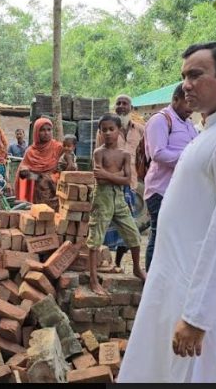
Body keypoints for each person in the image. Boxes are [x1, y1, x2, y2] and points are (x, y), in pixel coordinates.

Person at [118, 42, 216, 383]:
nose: (186, 84)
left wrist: (198, 316)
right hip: (175, 289)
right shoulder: (213, 130)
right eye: (184, 76)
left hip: (197, 304)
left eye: (195, 75)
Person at [87, 113, 147, 295]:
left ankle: (137, 268)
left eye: (111, 129)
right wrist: (116, 177)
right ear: (100, 132)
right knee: (95, 238)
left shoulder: (124, 155)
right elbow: (100, 179)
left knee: (133, 234)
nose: (107, 133)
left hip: (119, 198)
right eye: (104, 129)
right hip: (102, 198)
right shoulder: (99, 153)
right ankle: (93, 278)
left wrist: (109, 175)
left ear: (119, 131)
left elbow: (128, 179)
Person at [142, 83, 198, 271]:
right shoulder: (161, 120)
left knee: (176, 238)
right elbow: (158, 153)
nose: (191, 109)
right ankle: (150, 281)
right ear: (175, 99)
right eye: (187, 103)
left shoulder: (189, 124)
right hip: (161, 190)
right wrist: (187, 157)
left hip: (182, 191)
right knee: (159, 235)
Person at [94, 95, 145, 268]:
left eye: (125, 104)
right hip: (107, 189)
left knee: (127, 227)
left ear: (131, 107)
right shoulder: (104, 130)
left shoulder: (139, 130)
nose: (121, 106)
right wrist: (110, 176)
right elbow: (98, 162)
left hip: (130, 184)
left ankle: (118, 263)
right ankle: (105, 262)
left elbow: (143, 155)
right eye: (118, 103)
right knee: (105, 227)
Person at [14, 117, 64, 204]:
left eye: (49, 130)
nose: (46, 133)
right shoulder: (30, 152)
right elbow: (22, 175)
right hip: (36, 194)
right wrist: (38, 177)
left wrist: (51, 178)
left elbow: (66, 169)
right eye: (42, 130)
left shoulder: (58, 148)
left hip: (56, 192)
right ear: (36, 132)